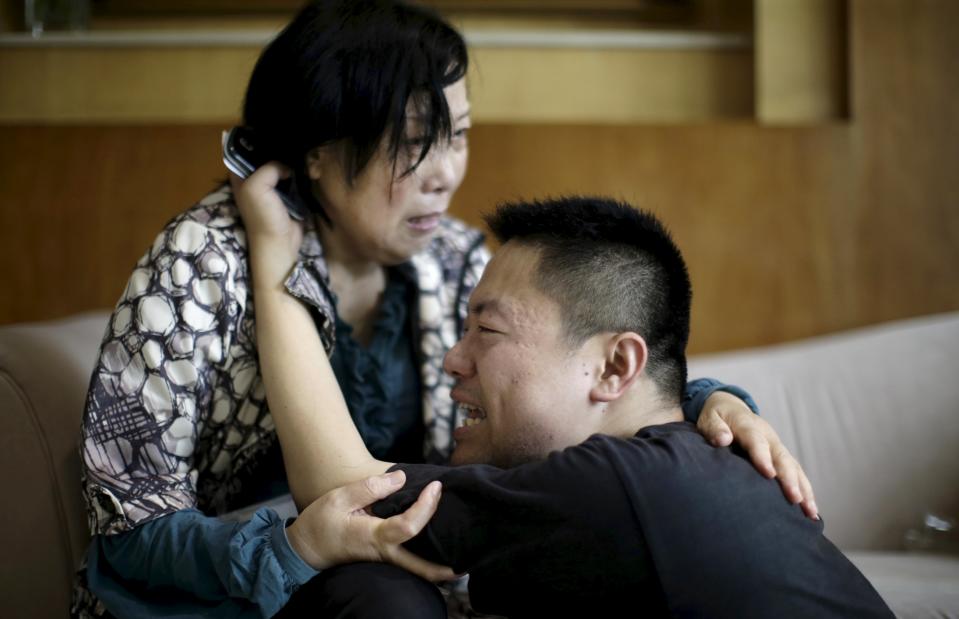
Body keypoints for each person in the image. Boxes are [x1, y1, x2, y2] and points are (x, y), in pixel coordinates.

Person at [75, 1, 813, 617]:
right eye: (413, 144)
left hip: (416, 564)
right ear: (317, 153)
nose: (445, 174)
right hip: (240, 587)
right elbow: (125, 529)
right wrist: (289, 548)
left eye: (456, 136)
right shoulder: (200, 261)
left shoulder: (455, 258)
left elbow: (581, 377)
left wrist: (711, 401)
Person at [244, 196, 892, 618]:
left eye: (487, 331)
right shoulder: (685, 462)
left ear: (614, 366)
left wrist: (275, 271)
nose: (452, 359)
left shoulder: (616, 483)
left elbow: (343, 495)